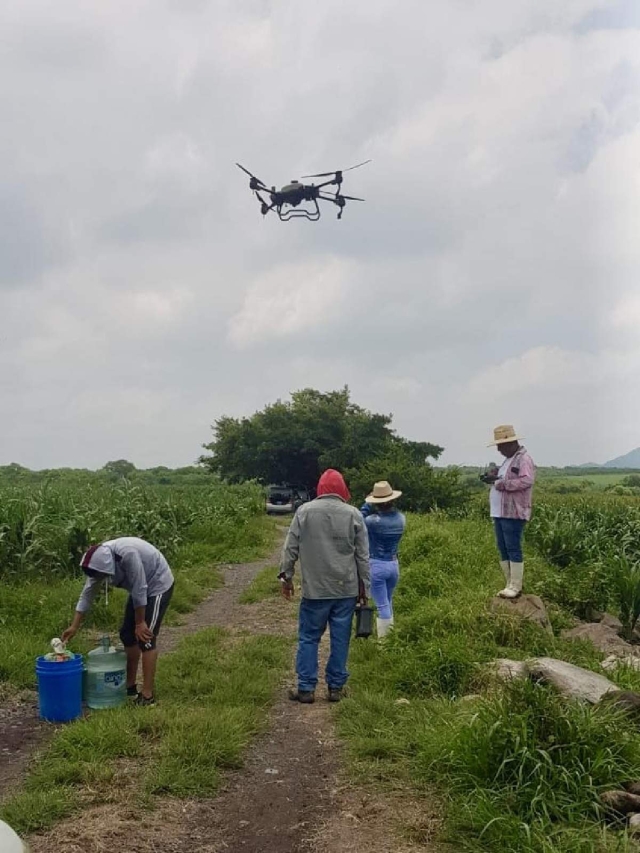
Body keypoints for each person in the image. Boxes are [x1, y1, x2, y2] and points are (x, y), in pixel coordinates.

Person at [278, 469, 370, 704]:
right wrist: (364, 589)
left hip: (315, 590)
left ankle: (306, 689)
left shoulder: (304, 512)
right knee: (340, 639)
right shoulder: (354, 515)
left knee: (309, 638)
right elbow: (362, 556)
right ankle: (336, 688)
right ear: (342, 490)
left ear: (320, 489)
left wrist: (286, 577)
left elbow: (290, 548)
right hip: (346, 590)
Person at [62, 537, 175, 705]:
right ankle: (129, 686)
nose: (98, 578)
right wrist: (74, 626)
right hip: (140, 589)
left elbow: (140, 588)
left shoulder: (127, 554)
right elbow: (87, 595)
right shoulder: (98, 562)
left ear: (106, 567)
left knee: (146, 639)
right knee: (127, 635)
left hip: (157, 584)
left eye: (100, 575)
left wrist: (140, 623)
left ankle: (147, 695)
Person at [483, 425, 536, 599]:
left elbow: (527, 480)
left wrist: (502, 484)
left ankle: (515, 586)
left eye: (501, 445)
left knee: (513, 547)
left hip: (513, 512)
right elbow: (504, 477)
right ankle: (509, 583)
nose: (498, 449)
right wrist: (494, 476)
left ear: (511, 443)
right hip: (500, 511)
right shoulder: (508, 460)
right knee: (503, 547)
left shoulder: (523, 459)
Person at [360, 481, 406, 639]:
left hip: (377, 564)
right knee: (388, 600)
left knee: (382, 605)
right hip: (393, 563)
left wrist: (366, 503)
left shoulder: (372, 521)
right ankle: (391, 637)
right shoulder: (401, 518)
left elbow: (358, 520)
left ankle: (385, 643)